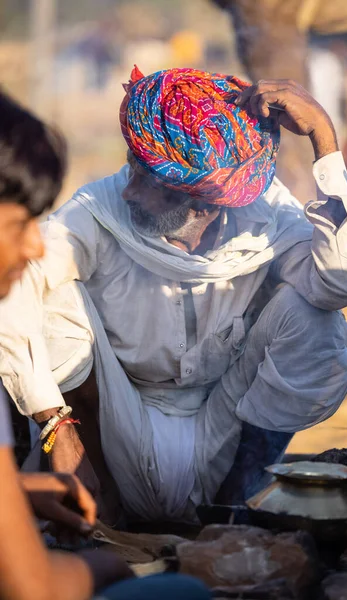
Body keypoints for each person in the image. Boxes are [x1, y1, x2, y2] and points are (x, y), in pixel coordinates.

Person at [0, 67, 347, 524]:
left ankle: (234, 511)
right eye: (135, 167)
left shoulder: (265, 215)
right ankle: (100, 511)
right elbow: (9, 291)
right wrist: (57, 427)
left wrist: (324, 140)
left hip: (221, 428)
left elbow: (340, 284)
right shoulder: (99, 210)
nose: (129, 189)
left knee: (312, 315)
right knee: (56, 299)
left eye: (149, 180)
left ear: (205, 202)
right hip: (114, 435)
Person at [0, 90, 210, 600]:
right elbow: (34, 589)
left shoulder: (264, 238)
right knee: (181, 594)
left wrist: (24, 492)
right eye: (16, 224)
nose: (33, 245)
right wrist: (115, 568)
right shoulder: (97, 216)